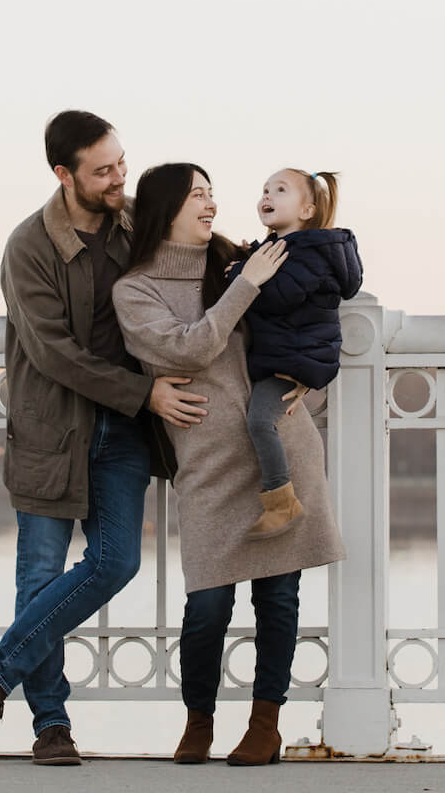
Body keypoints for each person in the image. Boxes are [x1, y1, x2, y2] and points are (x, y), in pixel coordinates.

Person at [0, 112, 206, 767]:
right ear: (64, 174)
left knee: (117, 561)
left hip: (122, 431)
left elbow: (194, 263)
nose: (119, 177)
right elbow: (52, 353)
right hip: (51, 430)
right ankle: (51, 726)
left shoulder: (134, 227)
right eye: (103, 170)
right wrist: (144, 392)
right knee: (39, 575)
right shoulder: (29, 245)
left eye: (121, 162)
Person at [111, 163, 346, 766]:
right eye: (198, 195)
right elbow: (190, 345)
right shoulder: (136, 290)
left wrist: (308, 384)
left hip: (279, 452)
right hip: (209, 462)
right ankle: (198, 722)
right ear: (165, 209)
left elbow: (313, 316)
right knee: (208, 602)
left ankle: (266, 724)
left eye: (213, 193)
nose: (212, 204)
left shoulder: (247, 256)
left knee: (279, 596)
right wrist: (245, 287)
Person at [229, 169, 362, 539]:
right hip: (289, 353)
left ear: (307, 209)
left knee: (259, 422)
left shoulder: (311, 253)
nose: (267, 196)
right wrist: (251, 256)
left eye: (280, 190)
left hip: (293, 360)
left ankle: (281, 500)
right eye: (264, 189)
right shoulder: (290, 249)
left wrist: (242, 274)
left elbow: (276, 296)